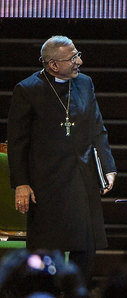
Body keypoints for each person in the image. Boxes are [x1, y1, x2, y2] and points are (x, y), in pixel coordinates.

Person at [8, 35, 117, 286]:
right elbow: (17, 141)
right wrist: (21, 184)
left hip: (81, 178)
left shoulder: (85, 84)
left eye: (78, 54)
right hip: (45, 183)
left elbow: (97, 128)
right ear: (53, 65)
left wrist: (108, 167)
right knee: (46, 251)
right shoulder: (27, 89)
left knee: (85, 248)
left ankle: (77, 291)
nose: (79, 61)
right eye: (73, 58)